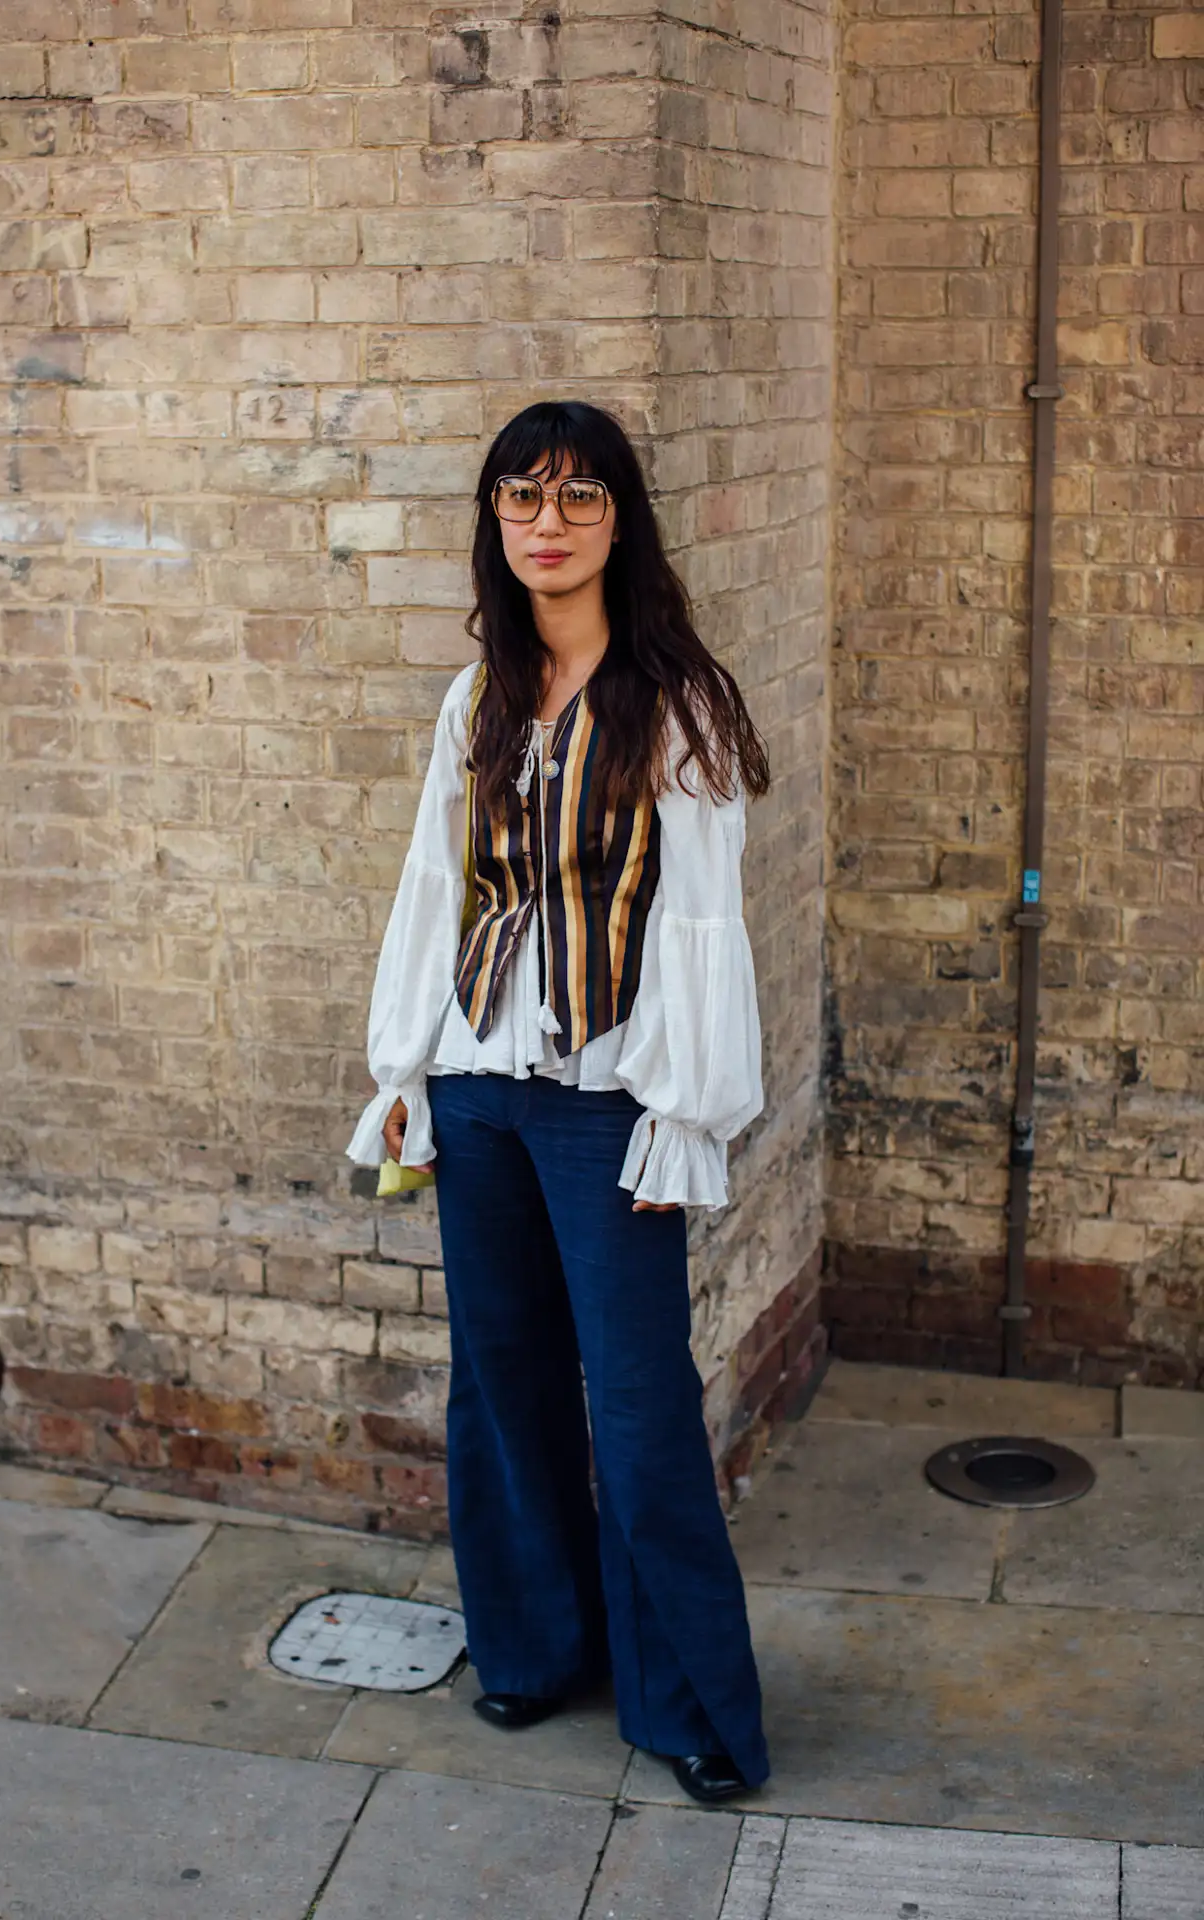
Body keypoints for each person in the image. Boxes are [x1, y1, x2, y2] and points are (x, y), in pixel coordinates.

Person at [348, 399, 772, 1803]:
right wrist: (404, 1069)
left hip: (609, 1104)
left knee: (642, 1403)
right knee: (504, 1385)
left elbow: (702, 923)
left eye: (577, 499)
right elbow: (434, 886)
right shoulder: (473, 700)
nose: (547, 524)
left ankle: (691, 1700)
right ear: (496, 522)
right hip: (479, 1091)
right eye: (522, 499)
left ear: (619, 522)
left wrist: (684, 1112)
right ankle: (532, 1651)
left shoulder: (681, 704)